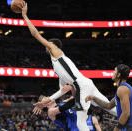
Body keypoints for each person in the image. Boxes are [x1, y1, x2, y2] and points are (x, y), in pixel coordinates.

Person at [18, 2, 116, 131]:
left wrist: (24, 16)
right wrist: (48, 100)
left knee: (81, 122)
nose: (46, 45)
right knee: (110, 108)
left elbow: (35, 34)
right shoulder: (58, 69)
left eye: (49, 44)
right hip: (85, 83)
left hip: (81, 84)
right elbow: (64, 90)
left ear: (54, 46)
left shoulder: (56, 51)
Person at [85, 64, 132, 131]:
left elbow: (126, 113)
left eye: (114, 71)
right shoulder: (123, 88)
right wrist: (94, 98)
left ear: (118, 75)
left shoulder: (122, 89)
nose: (113, 73)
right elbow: (108, 106)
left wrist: (117, 128)